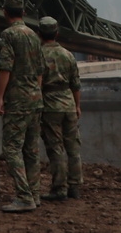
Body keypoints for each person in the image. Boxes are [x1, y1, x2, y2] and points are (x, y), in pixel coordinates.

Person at [0, 0, 42, 213]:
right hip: (35, 98)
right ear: (23, 12)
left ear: (5, 12)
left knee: (12, 148)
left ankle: (24, 197)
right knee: (31, 149)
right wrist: (36, 92)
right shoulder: (34, 35)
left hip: (18, 100)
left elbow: (6, 67)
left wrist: (0, 97)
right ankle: (34, 193)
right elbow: (40, 70)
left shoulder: (7, 35)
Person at [38, 17, 82, 202]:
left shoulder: (38, 54)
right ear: (57, 33)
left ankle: (59, 189)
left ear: (39, 34)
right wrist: (77, 105)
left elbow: (37, 83)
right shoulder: (68, 54)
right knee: (73, 147)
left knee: (56, 148)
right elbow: (76, 84)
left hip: (50, 105)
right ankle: (75, 186)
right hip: (69, 104)